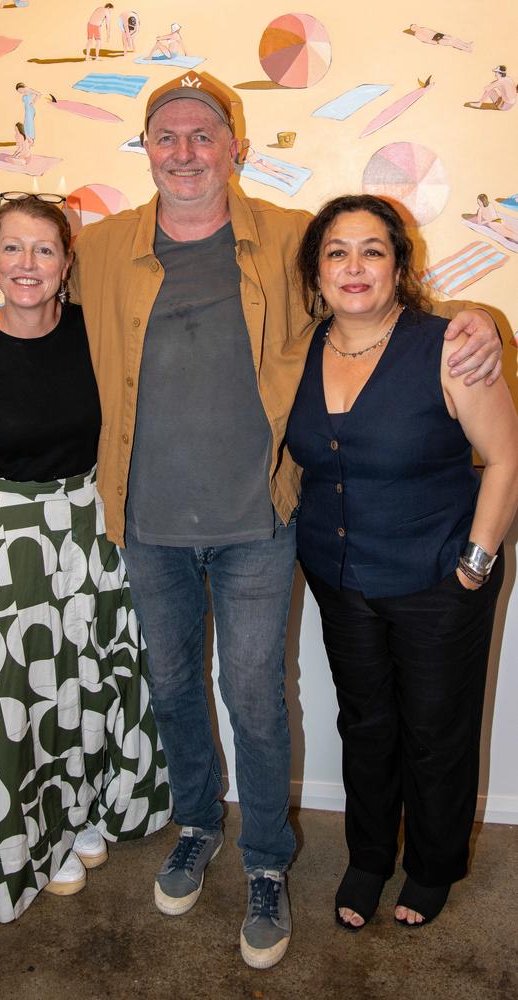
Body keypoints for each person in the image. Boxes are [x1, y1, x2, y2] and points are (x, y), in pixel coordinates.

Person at [0, 74, 502, 969]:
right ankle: (197, 821)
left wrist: (477, 323)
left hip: (257, 523)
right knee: (174, 689)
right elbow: (30, 307)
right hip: (145, 523)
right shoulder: (105, 247)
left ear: (235, 146)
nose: (184, 151)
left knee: (256, 702)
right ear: (146, 150)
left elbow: (374, 297)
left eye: (202, 135)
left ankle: (266, 861)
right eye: (167, 137)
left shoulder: (291, 240)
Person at [0, 192, 169, 946]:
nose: (26, 264)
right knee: (16, 699)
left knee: (88, 679)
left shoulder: (92, 333)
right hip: (3, 544)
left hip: (89, 530)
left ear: (67, 264)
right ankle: (28, 839)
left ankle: (84, 812)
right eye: (11, 248)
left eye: (43, 250)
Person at [286, 194, 518, 931]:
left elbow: (509, 460)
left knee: (436, 728)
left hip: (439, 576)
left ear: (399, 265)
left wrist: (475, 564)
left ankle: (431, 866)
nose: (354, 267)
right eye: (336, 252)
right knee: (366, 722)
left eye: (373, 250)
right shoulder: (298, 351)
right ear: (316, 270)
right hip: (340, 576)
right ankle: (368, 858)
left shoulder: (450, 344)